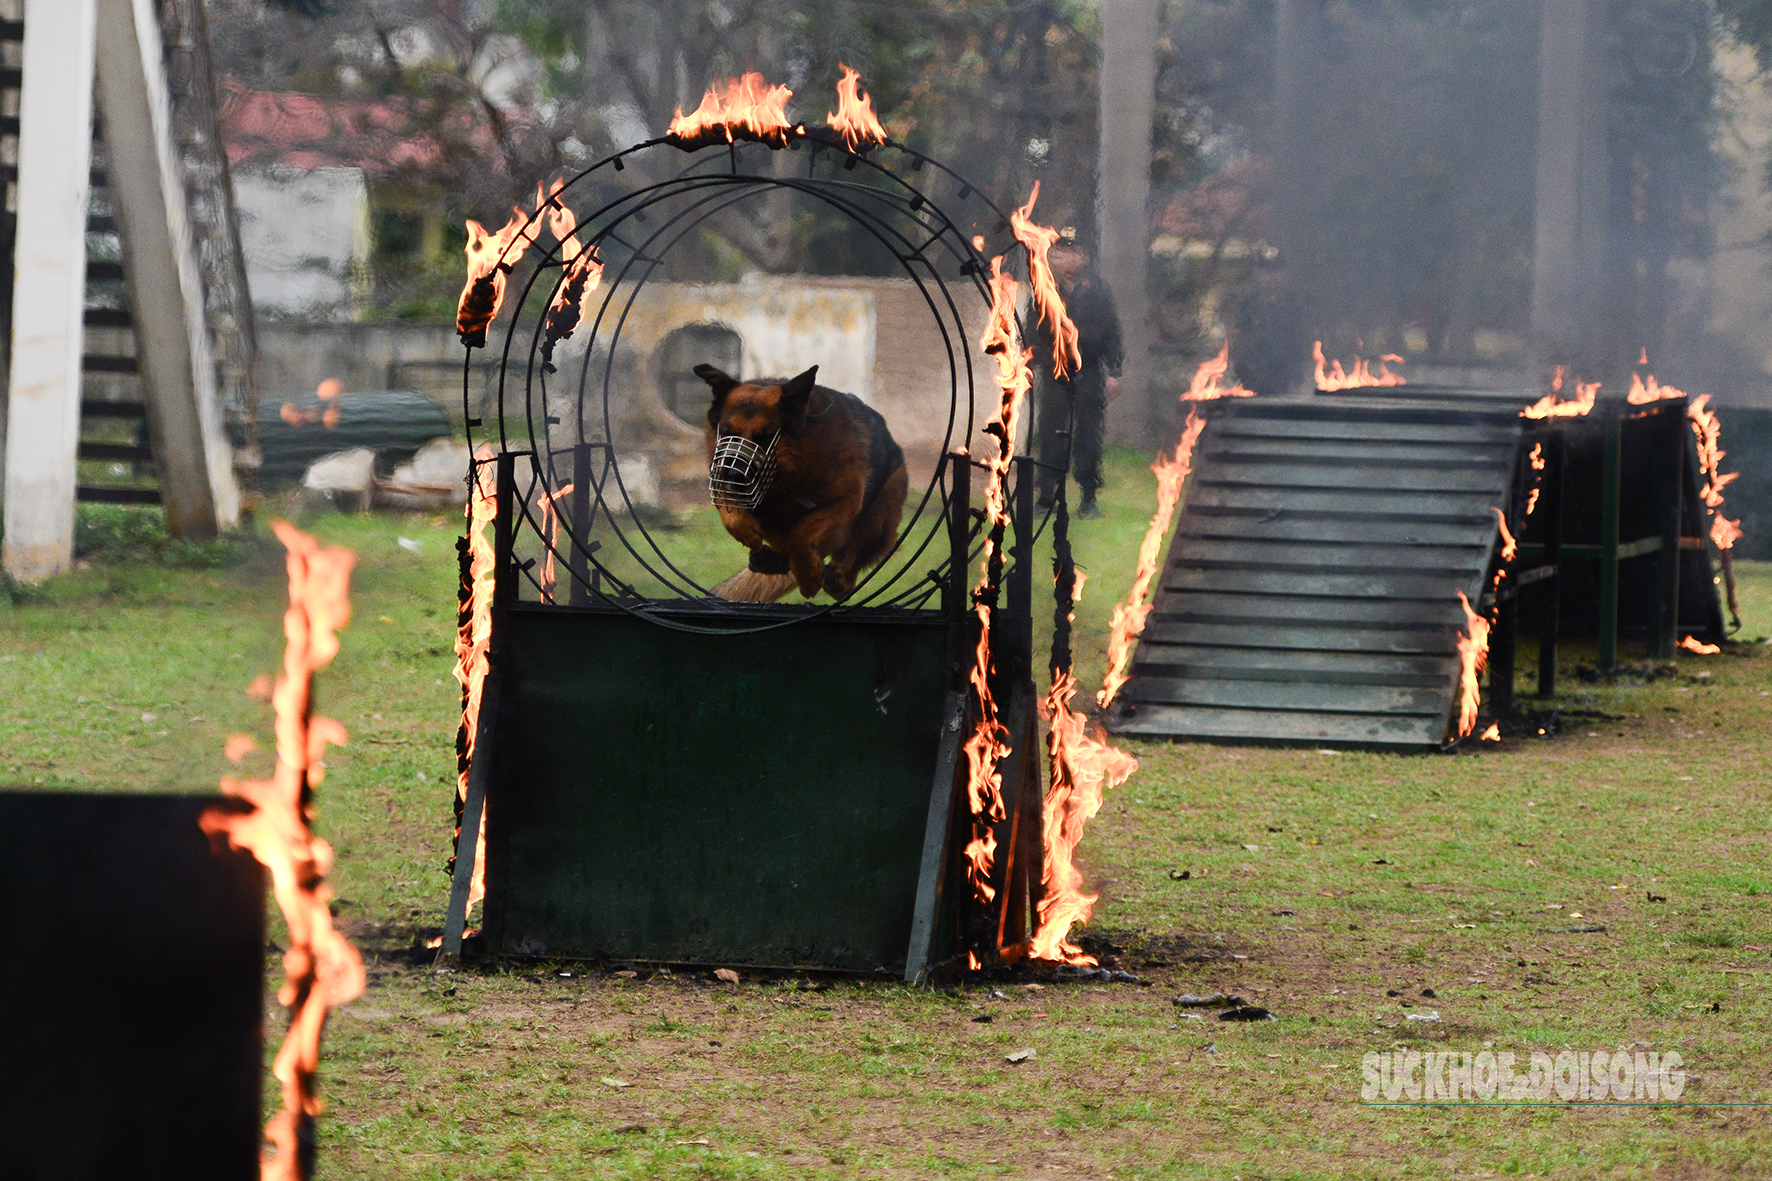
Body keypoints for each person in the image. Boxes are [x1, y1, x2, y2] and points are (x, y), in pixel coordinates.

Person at [1032, 231, 1122, 517]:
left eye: (1072, 252)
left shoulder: (1097, 290)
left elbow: (1112, 331)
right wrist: (1030, 363)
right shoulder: (1045, 287)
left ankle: (1088, 497)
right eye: (1059, 252)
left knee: (1088, 435)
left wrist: (1114, 371)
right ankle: (1046, 495)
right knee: (1051, 433)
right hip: (1055, 370)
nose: (1064, 258)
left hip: (1089, 371)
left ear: (1083, 256)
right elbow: (1033, 329)